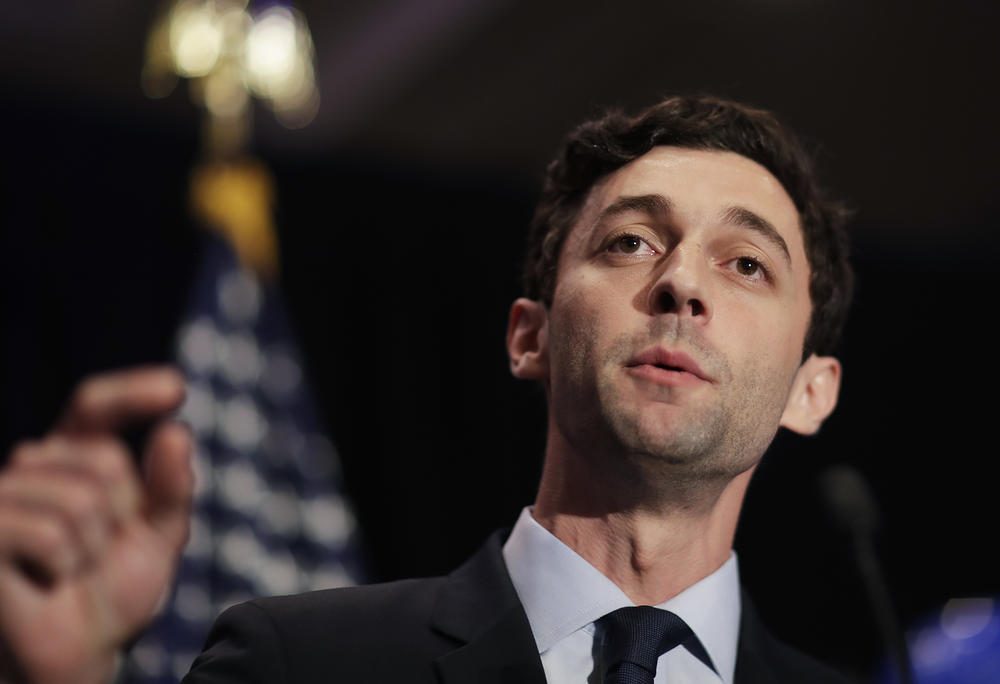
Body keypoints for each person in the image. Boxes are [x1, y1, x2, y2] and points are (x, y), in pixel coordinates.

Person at [0, 94, 854, 684]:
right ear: (530, 338)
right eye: (630, 242)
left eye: (746, 264)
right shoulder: (303, 664)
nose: (681, 284)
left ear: (810, 391)